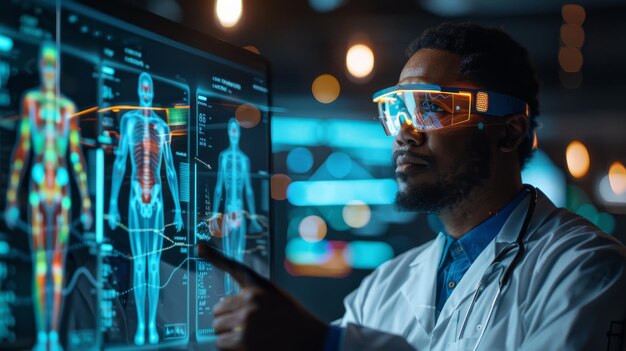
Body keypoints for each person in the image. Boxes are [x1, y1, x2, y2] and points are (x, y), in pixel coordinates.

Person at [196, 22, 626, 351]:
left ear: (510, 132)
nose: (405, 134)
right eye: (398, 111)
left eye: (432, 108)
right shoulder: (384, 287)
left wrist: (325, 344)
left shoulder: (587, 269)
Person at [4, 42, 92, 351]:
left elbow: (76, 155)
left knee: (57, 266)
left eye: (54, 65)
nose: (49, 71)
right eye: (46, 65)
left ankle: (53, 336)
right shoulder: (32, 102)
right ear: (41, 68)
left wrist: (86, 202)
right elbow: (23, 149)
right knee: (42, 266)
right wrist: (13, 198)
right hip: (40, 191)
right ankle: (44, 336)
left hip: (63, 191)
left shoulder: (68, 108)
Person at [108, 72, 184, 345]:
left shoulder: (162, 127)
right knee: (139, 264)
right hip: (135, 197)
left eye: (149, 87)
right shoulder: (129, 122)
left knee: (153, 265)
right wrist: (112, 203)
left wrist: (176, 207)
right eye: (143, 87)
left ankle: (150, 325)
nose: (146, 92)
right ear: (139, 92)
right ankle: (142, 326)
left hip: (159, 199)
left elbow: (171, 169)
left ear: (152, 91)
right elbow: (120, 163)